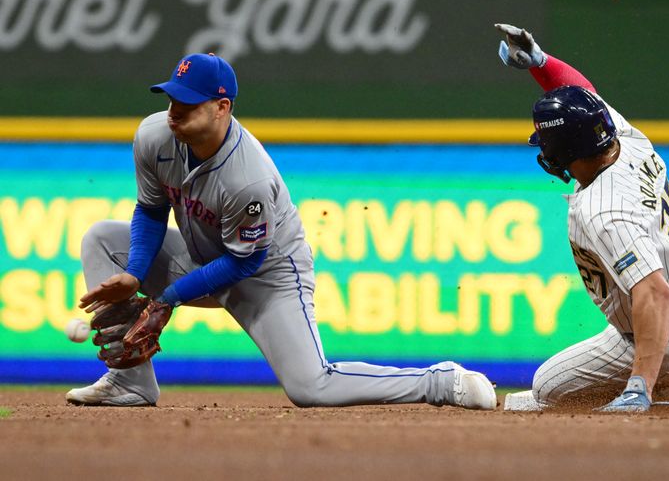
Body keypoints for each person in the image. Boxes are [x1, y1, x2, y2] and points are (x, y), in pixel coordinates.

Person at [66, 53, 496, 410]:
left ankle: (439, 381)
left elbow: (244, 260)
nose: (174, 110)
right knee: (101, 239)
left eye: (189, 103)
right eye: (172, 97)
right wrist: (137, 274)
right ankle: (130, 382)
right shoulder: (153, 136)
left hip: (267, 277)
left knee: (311, 386)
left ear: (222, 107)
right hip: (197, 259)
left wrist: (166, 300)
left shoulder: (246, 177)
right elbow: (152, 209)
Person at [494, 23, 669, 412]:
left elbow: (654, 294)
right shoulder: (625, 140)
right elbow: (586, 97)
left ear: (563, 152)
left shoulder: (604, 210)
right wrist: (541, 63)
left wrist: (638, 388)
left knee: (544, 390)